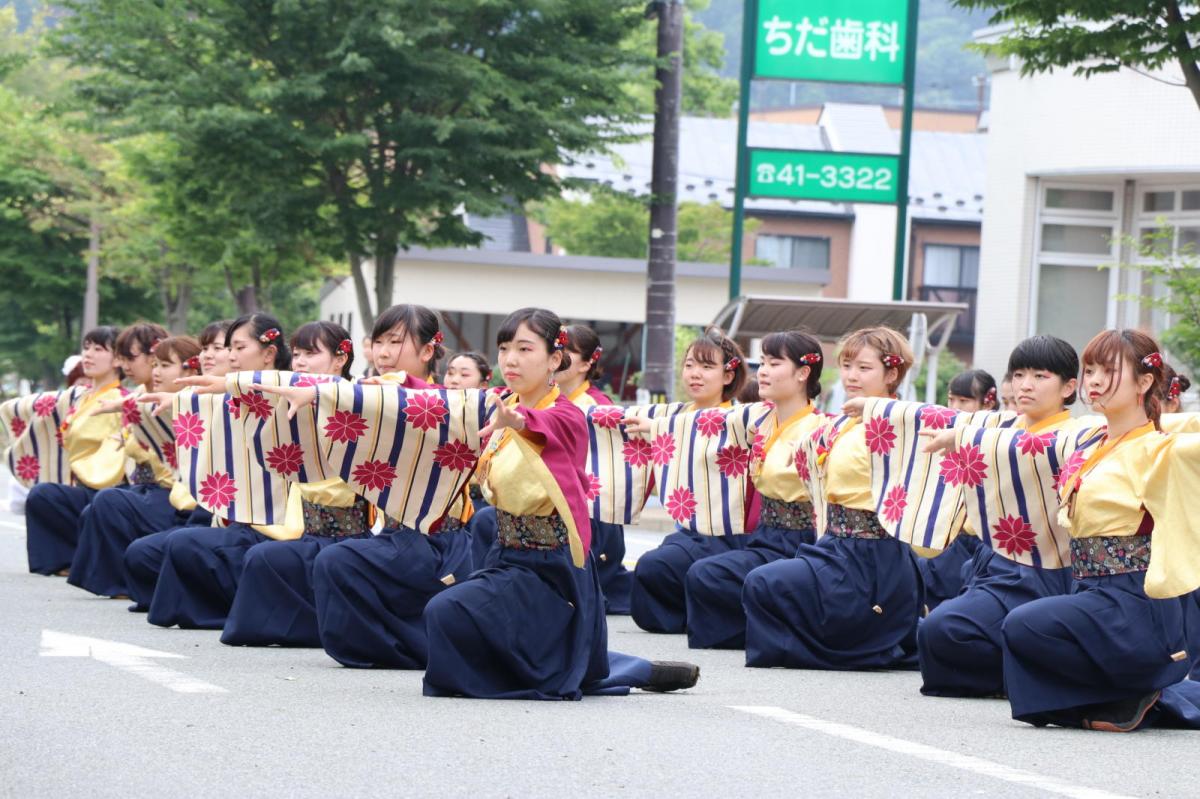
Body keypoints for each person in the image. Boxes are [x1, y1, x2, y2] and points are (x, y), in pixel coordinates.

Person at [924, 329, 1200, 731]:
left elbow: (1184, 429)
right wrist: (959, 436)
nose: (1095, 381)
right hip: (1088, 590)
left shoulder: (1160, 449)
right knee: (1022, 632)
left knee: (1024, 626)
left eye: (1109, 371)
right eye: (1091, 370)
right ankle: (1132, 698)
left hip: (1134, 603)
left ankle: (1134, 694)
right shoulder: (1089, 440)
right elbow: (1017, 441)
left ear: (1144, 382)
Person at [849, 335, 1085, 696]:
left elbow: (1034, 447)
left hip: (1048, 570)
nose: (1025, 385)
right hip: (995, 564)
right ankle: (1023, 676)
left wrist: (967, 438)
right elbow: (945, 416)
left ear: (1068, 387)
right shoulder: (1003, 425)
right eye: (1019, 375)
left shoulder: (1078, 433)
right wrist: (877, 407)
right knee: (937, 633)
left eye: (1040, 376)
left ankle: (1036, 676)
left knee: (950, 629)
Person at [743, 326, 924, 670]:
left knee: (763, 582)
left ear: (892, 374)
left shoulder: (902, 424)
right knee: (762, 583)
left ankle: (862, 644)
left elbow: (941, 423)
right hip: (834, 547)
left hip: (873, 559)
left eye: (864, 368)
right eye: (846, 366)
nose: (851, 376)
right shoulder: (843, 423)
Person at [303, 305, 474, 668]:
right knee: (332, 561)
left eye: (395, 342)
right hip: (393, 535)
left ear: (427, 351)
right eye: (378, 342)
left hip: (437, 544)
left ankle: (415, 647)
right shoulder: (374, 397)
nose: (382, 353)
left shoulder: (449, 404)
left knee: (336, 560)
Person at [221, 322, 376, 647]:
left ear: (340, 359)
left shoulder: (364, 399)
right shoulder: (290, 402)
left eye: (311, 353)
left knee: (269, 557)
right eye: (297, 354)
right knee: (261, 556)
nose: (301, 362)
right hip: (308, 529)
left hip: (352, 533)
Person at [146, 313, 291, 628]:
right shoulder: (234, 394)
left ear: (269, 353)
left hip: (284, 524)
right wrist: (180, 399)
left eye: (238, 347)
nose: (229, 355)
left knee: (181, 544)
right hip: (237, 517)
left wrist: (208, 391)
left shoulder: (290, 389)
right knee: (161, 548)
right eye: (228, 348)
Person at [684, 330, 825, 649]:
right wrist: (653, 427)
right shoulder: (758, 419)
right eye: (762, 363)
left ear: (803, 373)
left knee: (727, 575)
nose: (762, 371)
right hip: (764, 536)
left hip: (802, 542)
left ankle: (777, 632)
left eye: (774, 363)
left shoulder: (820, 428)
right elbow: (700, 424)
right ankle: (760, 629)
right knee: (704, 574)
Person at [629, 328, 749, 634]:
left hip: (727, 532)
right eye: (689, 365)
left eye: (707, 366)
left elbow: (699, 428)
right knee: (653, 568)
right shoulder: (676, 414)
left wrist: (657, 427)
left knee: (658, 565)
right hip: (688, 532)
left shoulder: (737, 420)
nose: (695, 373)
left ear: (728, 375)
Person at [67, 333, 200, 598]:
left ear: (190, 369)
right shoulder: (138, 398)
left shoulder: (196, 403)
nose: (156, 371)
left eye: (164, 365)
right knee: (96, 506)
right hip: (149, 487)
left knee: (109, 502)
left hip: (180, 496)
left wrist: (125, 415)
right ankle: (116, 580)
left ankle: (124, 582)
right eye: (155, 364)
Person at [121, 320, 231, 612]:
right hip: (187, 500)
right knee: (140, 552)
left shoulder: (246, 400)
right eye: (205, 348)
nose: (208, 354)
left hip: (236, 513)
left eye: (218, 347)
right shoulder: (183, 400)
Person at [25, 326, 127, 576]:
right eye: (86, 348)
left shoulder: (121, 400)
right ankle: (66, 560)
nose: (88, 354)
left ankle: (86, 560)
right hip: (83, 484)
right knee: (42, 495)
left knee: (58, 497)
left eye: (98, 349)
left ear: (117, 359)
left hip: (110, 486)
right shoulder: (80, 397)